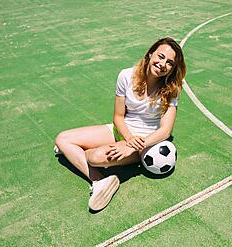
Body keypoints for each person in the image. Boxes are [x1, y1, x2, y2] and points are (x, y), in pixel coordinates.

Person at [55, 37, 186, 211]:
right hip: (122, 130)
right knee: (62, 139)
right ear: (150, 54)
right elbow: (118, 116)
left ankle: (80, 158)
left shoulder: (172, 88)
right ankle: (100, 180)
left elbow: (165, 130)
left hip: (144, 142)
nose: (163, 64)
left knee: (94, 157)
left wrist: (133, 147)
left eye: (169, 62)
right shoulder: (126, 75)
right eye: (160, 56)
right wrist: (128, 138)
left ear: (172, 68)